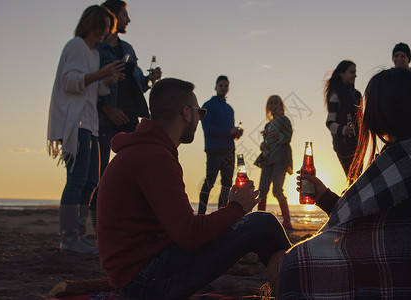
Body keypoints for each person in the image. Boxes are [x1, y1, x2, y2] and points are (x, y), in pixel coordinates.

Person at [278, 68, 411, 299]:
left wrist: (325, 200)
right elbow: (367, 211)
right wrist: (323, 195)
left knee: (294, 264)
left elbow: (351, 212)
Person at [97, 78, 291, 299]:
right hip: (143, 282)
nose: (200, 119)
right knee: (264, 224)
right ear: (186, 113)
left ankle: (286, 288)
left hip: (138, 274)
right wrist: (237, 208)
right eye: (200, 113)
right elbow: (190, 234)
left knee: (256, 225)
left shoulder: (146, 151)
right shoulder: (154, 157)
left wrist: (230, 212)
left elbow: (180, 229)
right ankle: (298, 289)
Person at [47, 5, 124, 254]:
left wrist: (106, 80)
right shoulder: (77, 46)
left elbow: (91, 88)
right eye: (101, 28)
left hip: (89, 123)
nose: (103, 34)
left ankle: (78, 236)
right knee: (77, 179)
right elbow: (70, 82)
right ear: (90, 24)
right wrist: (101, 73)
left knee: (92, 179)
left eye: (107, 30)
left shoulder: (91, 52)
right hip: (76, 121)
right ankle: (69, 239)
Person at [90, 0, 162, 231]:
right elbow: (88, 85)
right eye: (125, 15)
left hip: (131, 119)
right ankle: (96, 227)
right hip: (103, 119)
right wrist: (107, 108)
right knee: (98, 176)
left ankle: (126, 224)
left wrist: (150, 80)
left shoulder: (128, 48)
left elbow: (137, 84)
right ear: (112, 15)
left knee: (132, 174)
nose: (128, 20)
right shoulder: (96, 49)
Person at [198, 75, 243, 214]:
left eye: (225, 86)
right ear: (216, 87)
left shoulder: (230, 109)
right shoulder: (208, 105)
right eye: (221, 85)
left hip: (229, 149)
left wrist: (236, 133)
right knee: (210, 181)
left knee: (227, 184)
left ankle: (221, 214)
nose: (223, 88)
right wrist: (228, 131)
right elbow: (208, 129)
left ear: (228, 88)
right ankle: (200, 213)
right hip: (214, 149)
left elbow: (230, 133)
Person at [255, 95, 294, 230]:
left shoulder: (284, 120)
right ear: (268, 106)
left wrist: (276, 135)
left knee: (277, 190)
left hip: (280, 159)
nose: (273, 105)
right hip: (267, 159)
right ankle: (260, 220)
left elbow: (288, 138)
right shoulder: (267, 124)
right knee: (262, 191)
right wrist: (262, 146)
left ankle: (287, 221)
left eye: (276, 103)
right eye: (270, 103)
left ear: (281, 105)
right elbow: (266, 143)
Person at [324, 60, 362, 178]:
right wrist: (343, 129)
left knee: (358, 176)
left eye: (355, 72)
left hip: (358, 143)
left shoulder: (357, 95)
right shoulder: (335, 95)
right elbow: (329, 122)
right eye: (351, 72)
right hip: (343, 144)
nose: (354, 75)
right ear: (342, 74)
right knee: (353, 177)